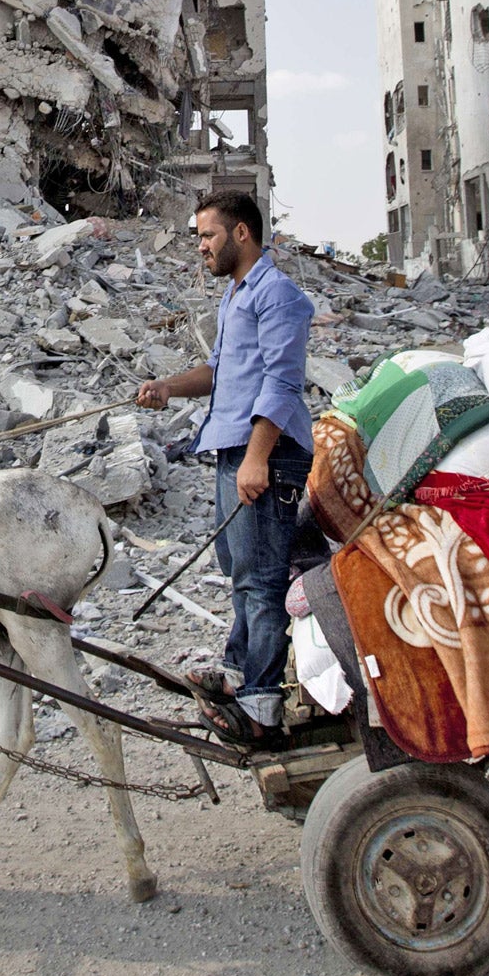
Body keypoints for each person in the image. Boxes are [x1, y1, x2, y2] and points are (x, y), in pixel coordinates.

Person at [136, 190, 313, 746]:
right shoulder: (236, 296)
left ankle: (262, 704)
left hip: (267, 454)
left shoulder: (279, 296)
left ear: (241, 233)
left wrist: (258, 458)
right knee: (239, 568)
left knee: (261, 580)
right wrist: (168, 386)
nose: (201, 248)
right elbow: (219, 370)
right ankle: (241, 674)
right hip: (232, 449)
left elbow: (283, 384)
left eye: (207, 236)